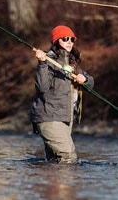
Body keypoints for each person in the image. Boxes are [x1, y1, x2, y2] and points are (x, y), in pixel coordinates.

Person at [30, 25, 94, 163]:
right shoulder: (48, 61)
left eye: (72, 39)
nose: (70, 42)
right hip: (49, 117)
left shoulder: (72, 64)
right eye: (65, 39)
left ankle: (50, 184)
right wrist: (42, 63)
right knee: (68, 158)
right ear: (57, 41)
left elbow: (91, 84)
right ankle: (67, 185)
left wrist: (85, 79)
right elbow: (42, 87)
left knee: (54, 162)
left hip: (66, 119)